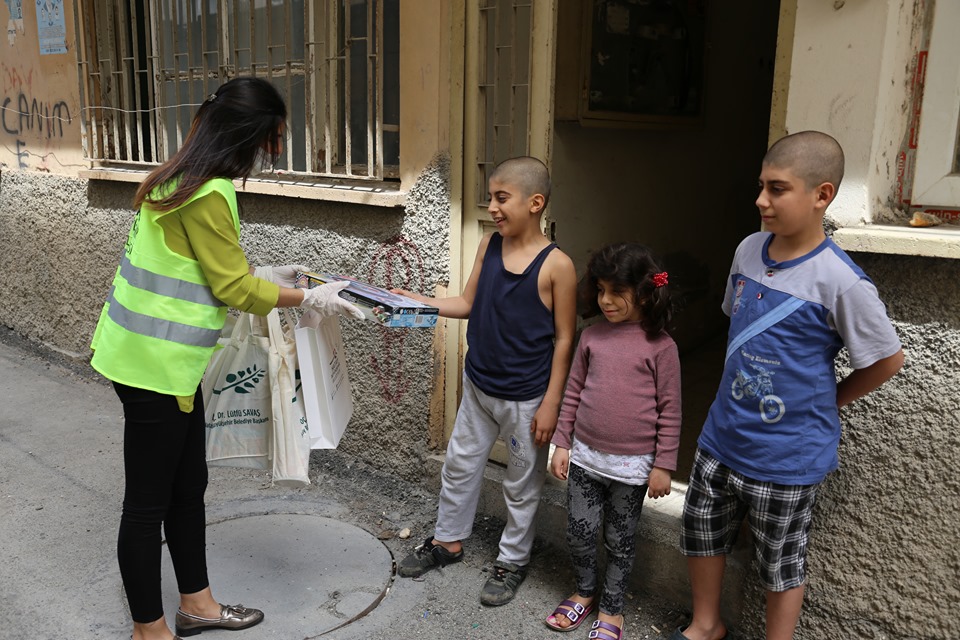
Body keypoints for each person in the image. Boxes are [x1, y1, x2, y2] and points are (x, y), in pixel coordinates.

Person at [89, 77, 363, 640]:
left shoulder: (176, 178)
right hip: (154, 370)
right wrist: (307, 296)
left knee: (187, 486)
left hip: (160, 363)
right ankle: (150, 631)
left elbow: (205, 273)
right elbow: (233, 291)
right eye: (270, 141)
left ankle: (198, 604)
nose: (269, 155)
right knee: (146, 505)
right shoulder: (211, 192)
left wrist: (266, 278)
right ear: (248, 135)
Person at [672, 131, 904, 640]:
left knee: (780, 560)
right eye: (761, 186)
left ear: (822, 195)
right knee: (702, 532)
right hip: (721, 438)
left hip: (787, 459)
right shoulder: (748, 250)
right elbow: (736, 325)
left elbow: (887, 360)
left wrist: (833, 400)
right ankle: (705, 624)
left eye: (777, 189)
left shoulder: (840, 281)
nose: (760, 200)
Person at [392, 156, 578, 606]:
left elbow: (565, 339)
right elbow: (467, 303)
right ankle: (448, 541)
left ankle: (513, 560)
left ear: (535, 203)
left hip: (527, 399)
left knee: (521, 484)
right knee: (458, 465)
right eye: (490, 197)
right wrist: (417, 301)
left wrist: (553, 402)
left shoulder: (558, 266)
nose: (492, 207)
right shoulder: (488, 246)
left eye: (501, 197)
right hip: (478, 386)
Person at [545, 243, 681, 640]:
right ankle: (585, 592)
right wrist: (562, 443)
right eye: (600, 290)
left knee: (620, 541)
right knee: (580, 532)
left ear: (642, 292)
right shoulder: (591, 338)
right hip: (585, 460)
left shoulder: (662, 348)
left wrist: (663, 465)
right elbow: (572, 392)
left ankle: (613, 609)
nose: (605, 300)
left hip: (632, 468)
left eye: (615, 292)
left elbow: (671, 411)